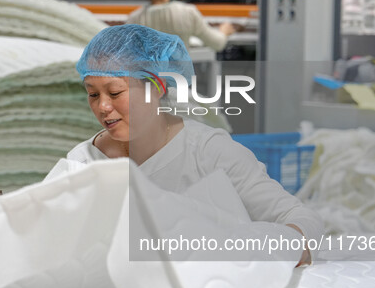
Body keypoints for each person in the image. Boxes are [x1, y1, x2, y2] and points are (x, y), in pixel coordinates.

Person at [68, 24, 323, 266]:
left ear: (157, 87)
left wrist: (270, 252)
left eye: (114, 93)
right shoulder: (83, 161)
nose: (102, 106)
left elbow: (301, 220)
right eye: (92, 94)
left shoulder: (207, 152)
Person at [127, 0, 243, 51]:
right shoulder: (187, 12)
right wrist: (224, 31)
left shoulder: (134, 18)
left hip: (148, 86)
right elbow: (216, 43)